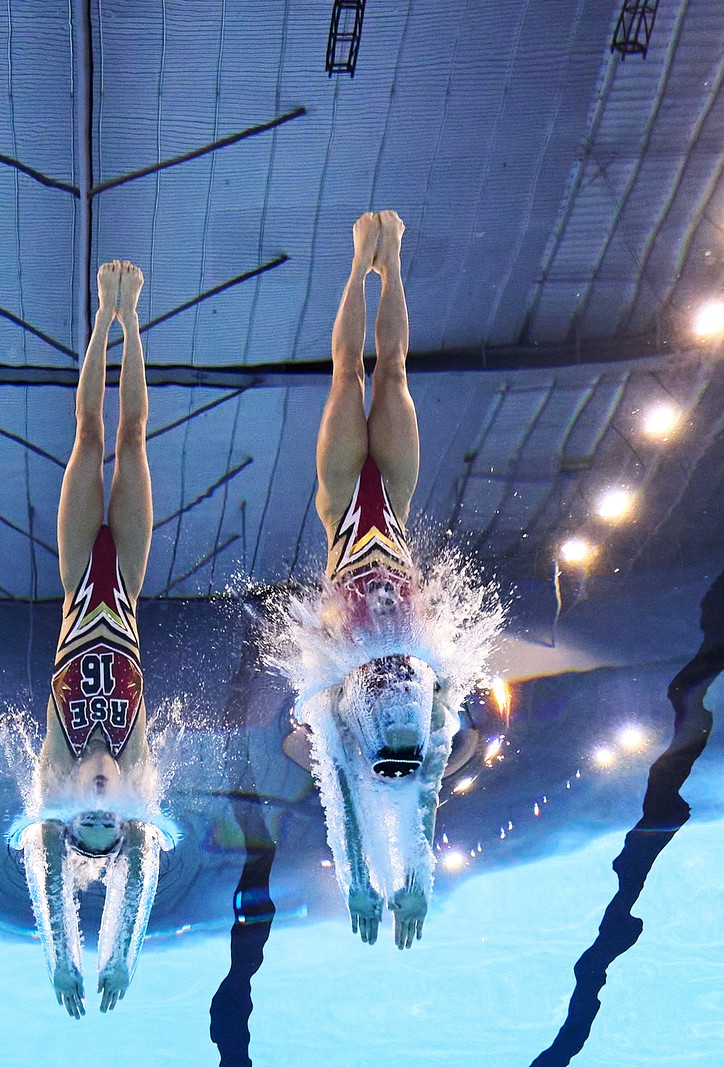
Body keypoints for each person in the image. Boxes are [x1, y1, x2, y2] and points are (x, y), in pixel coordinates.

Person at [285, 210, 447, 949]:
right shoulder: (430, 718)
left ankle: (358, 264)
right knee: (399, 372)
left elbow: (345, 800)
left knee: (348, 373)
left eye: (389, 750)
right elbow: (430, 796)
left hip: (345, 502)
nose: (399, 737)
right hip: (398, 506)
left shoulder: (344, 716)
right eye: (404, 752)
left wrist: (360, 882)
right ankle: (397, 260)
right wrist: (415, 883)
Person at [21, 261, 166, 1018]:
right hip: (129, 579)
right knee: (134, 438)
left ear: (73, 804)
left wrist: (63, 957)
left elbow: (48, 868)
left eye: (92, 819)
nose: (104, 809)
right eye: (116, 821)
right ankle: (131, 318)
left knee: (84, 432)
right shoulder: (137, 757)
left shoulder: (59, 757)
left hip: (80, 573)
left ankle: (98, 321)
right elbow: (139, 870)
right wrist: (121, 954)